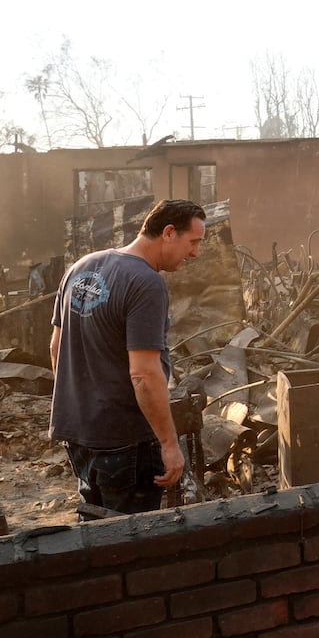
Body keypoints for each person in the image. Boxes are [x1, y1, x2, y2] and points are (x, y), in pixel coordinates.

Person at [49, 198, 204, 515]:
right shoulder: (146, 283)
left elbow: (55, 348)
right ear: (169, 232)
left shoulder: (80, 268)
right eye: (194, 242)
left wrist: (83, 404)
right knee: (130, 542)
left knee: (95, 531)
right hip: (125, 442)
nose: (195, 253)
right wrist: (169, 444)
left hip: (79, 434)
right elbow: (144, 376)